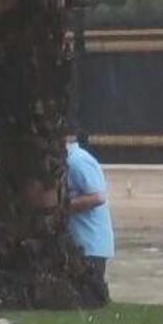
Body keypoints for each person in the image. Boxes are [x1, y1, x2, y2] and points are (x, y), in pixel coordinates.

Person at [66, 129, 114, 307]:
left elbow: (98, 197)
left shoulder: (77, 161)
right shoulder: (67, 161)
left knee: (91, 298)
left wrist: (62, 207)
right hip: (81, 244)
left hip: (91, 243)